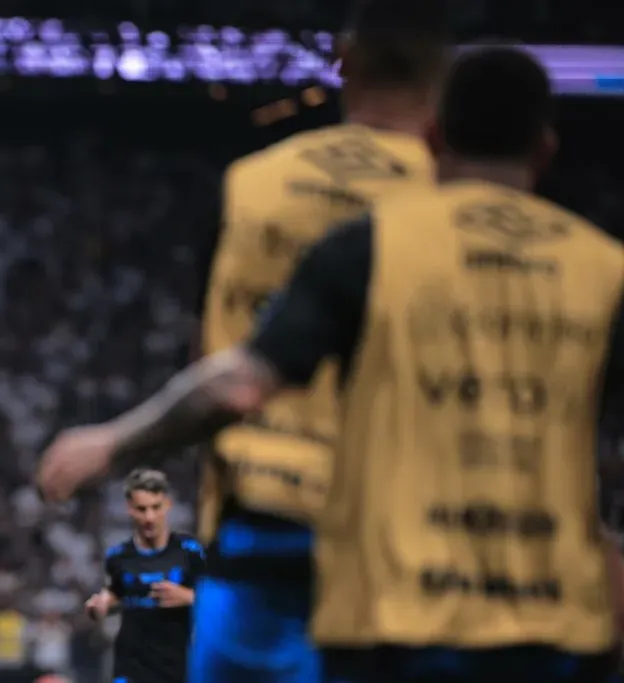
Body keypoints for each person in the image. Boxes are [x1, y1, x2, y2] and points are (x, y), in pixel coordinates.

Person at [38, 47, 624, 683]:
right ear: (544, 149)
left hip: (400, 617)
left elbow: (239, 387)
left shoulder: (373, 245)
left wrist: (113, 442)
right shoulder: (604, 271)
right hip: (555, 621)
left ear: (433, 137)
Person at [83, 469, 205, 683]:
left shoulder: (189, 551)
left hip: (176, 668)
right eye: (141, 509)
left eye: (155, 507)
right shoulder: (118, 556)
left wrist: (188, 597)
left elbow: (217, 599)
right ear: (129, 508)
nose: (149, 517)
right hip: (130, 668)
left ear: (167, 505)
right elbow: (117, 594)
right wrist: (101, 604)